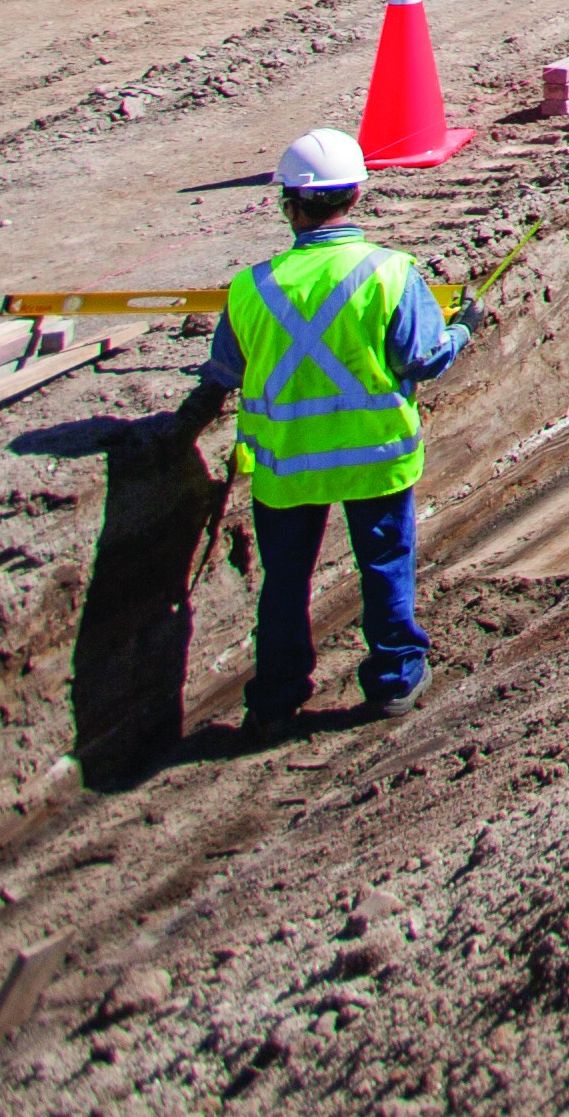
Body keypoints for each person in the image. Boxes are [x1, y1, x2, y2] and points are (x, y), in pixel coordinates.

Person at [171, 127, 467, 728]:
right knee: (385, 563)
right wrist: (463, 329)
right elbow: (424, 358)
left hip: (287, 464)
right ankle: (393, 678)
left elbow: (226, 370)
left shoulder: (250, 287)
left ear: (289, 204)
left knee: (284, 580)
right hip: (374, 456)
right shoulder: (390, 272)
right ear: (355, 196)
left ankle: (277, 693)